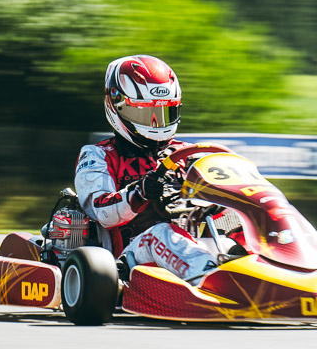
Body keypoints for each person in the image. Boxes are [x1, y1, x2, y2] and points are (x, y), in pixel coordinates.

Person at [74, 55, 218, 282]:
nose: (156, 124)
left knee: (244, 219)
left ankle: (281, 271)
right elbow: (102, 213)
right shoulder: (98, 155)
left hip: (192, 250)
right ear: (117, 105)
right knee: (161, 234)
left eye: (163, 114)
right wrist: (139, 192)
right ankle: (212, 283)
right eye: (144, 113)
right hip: (128, 260)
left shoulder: (189, 154)